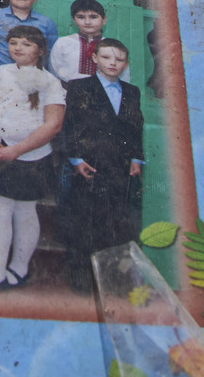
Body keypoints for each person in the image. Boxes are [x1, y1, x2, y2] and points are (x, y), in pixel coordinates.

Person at [0, 25, 65, 292]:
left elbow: (52, 125)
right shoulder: (1, 72)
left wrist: (16, 151)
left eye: (26, 44)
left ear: (40, 50)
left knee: (25, 210)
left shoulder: (51, 82)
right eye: (14, 42)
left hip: (29, 157)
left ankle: (19, 269)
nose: (18, 48)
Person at [60, 38, 144, 295]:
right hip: (89, 165)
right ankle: (82, 278)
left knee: (115, 223)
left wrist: (136, 159)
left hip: (119, 168)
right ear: (95, 58)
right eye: (107, 57)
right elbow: (71, 125)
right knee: (84, 222)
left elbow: (135, 128)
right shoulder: (79, 87)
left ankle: (110, 280)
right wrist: (76, 158)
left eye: (119, 59)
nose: (113, 63)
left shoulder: (131, 92)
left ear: (126, 64)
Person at [50, 0, 129, 84]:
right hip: (66, 93)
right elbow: (54, 71)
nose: (87, 22)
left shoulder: (114, 46)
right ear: (74, 20)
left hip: (105, 94)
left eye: (93, 17)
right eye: (81, 17)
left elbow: (123, 76)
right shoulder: (63, 43)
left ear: (104, 20)